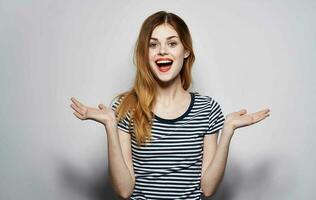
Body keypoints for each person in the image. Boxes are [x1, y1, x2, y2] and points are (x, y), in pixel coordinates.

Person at [70, 11, 270, 200]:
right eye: (153, 45)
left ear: (186, 51)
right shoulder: (126, 107)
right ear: (144, 54)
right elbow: (124, 190)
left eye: (172, 43)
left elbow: (208, 189)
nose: (162, 51)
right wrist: (110, 126)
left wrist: (227, 131)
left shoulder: (208, 109)